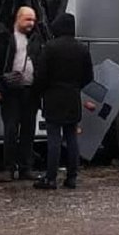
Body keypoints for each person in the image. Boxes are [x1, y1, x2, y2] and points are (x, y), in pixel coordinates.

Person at [31, 12, 94, 190]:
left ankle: (50, 178)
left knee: (54, 139)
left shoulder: (50, 48)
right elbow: (89, 76)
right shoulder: (82, 49)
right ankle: (72, 177)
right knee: (72, 137)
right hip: (73, 97)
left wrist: (41, 91)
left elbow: (41, 75)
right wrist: (75, 86)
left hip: (53, 97)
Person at [0, 6, 44, 182]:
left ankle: (26, 167)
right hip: (11, 91)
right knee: (10, 130)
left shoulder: (36, 38)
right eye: (28, 19)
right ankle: (9, 168)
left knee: (28, 130)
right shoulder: (3, 38)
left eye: (33, 20)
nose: (31, 23)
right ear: (18, 19)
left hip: (30, 90)